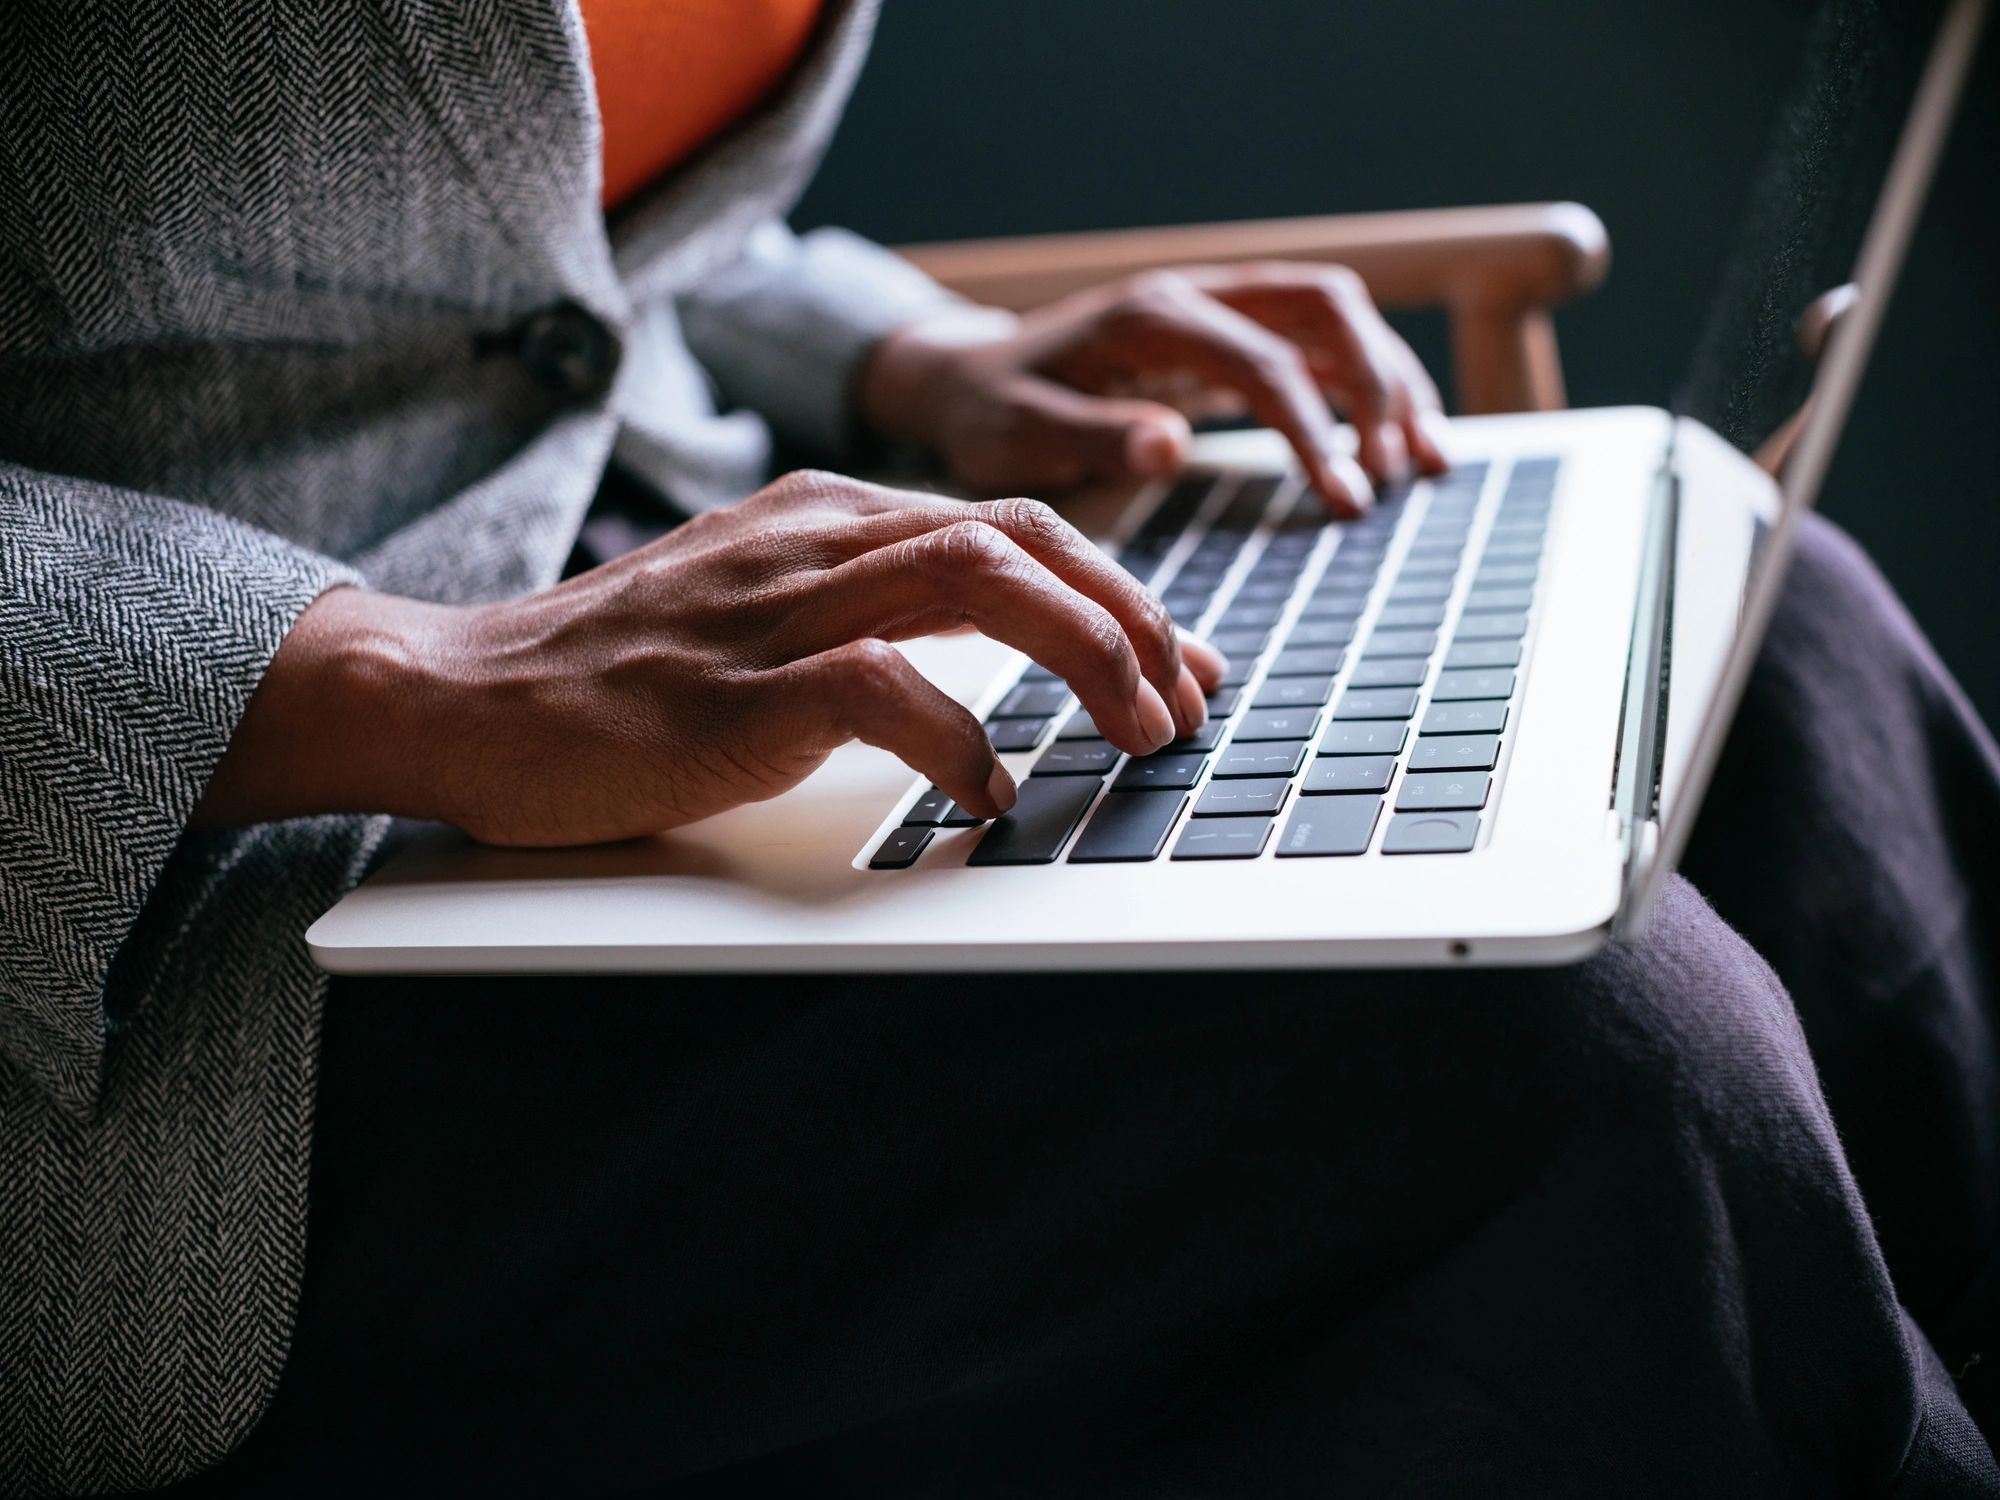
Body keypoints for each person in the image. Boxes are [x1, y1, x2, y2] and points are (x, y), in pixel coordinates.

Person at [0, 1, 1994, 1494]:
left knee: (1785, 641)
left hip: (659, 550)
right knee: (1569, 1049)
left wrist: (908, 356)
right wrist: (391, 675)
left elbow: (536, 233)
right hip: (173, 870)